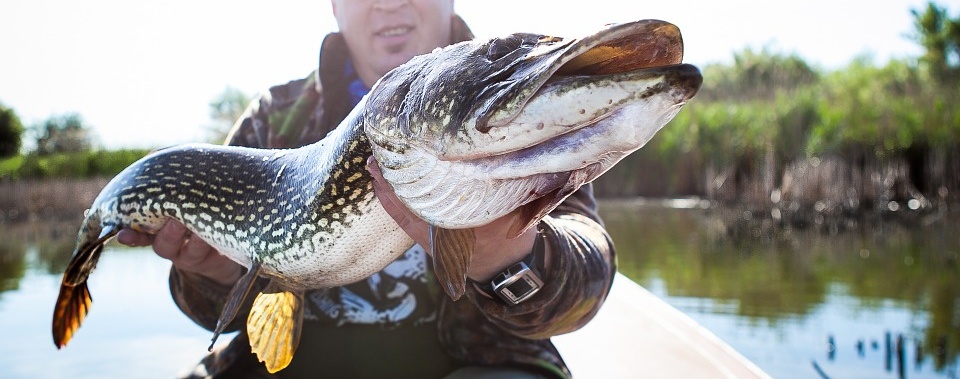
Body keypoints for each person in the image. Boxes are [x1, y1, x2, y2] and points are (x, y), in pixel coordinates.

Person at [117, 0, 616, 378]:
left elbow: (586, 288)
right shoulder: (275, 119)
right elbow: (216, 318)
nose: (389, 2)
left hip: (479, 363)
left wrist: (506, 258)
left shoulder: (512, 99)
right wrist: (216, 273)